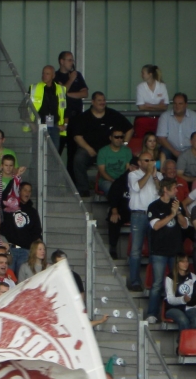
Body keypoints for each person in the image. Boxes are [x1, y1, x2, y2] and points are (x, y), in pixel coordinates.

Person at [68, 92, 132, 196]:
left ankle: (122, 184)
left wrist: (123, 144)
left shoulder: (113, 114)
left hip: (110, 151)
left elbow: (129, 129)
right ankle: (83, 189)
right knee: (78, 159)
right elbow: (77, 136)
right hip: (90, 151)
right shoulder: (84, 117)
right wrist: (88, 149)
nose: (102, 103)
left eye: (103, 100)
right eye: (99, 100)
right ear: (93, 102)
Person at [146, 180, 188, 323]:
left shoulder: (177, 204)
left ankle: (176, 312)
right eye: (174, 188)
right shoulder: (154, 206)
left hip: (176, 251)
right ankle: (152, 313)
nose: (177, 191)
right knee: (157, 283)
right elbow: (156, 226)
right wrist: (171, 214)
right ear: (165, 189)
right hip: (159, 251)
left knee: (178, 282)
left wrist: (178, 214)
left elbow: (184, 225)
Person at [126, 153, 163, 291]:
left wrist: (154, 176)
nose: (150, 162)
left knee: (155, 250)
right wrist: (148, 173)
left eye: (152, 160)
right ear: (140, 162)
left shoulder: (158, 175)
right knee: (136, 250)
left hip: (154, 216)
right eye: (146, 160)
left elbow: (161, 192)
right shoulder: (133, 174)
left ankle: (154, 282)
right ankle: (135, 282)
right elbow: (137, 187)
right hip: (139, 215)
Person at [30, 66, 67, 149]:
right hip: (40, 125)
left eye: (47, 73)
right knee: (38, 152)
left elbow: (65, 109)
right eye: (43, 73)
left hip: (54, 126)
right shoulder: (34, 88)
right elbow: (23, 108)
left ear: (53, 76)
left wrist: (65, 124)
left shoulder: (60, 89)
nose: (44, 75)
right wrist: (32, 124)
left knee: (53, 154)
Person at [157, 93, 196, 160]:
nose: (177, 106)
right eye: (175, 103)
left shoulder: (194, 116)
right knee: (163, 152)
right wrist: (174, 152)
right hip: (170, 150)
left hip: (190, 150)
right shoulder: (165, 116)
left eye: (180, 104)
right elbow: (161, 138)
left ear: (186, 105)